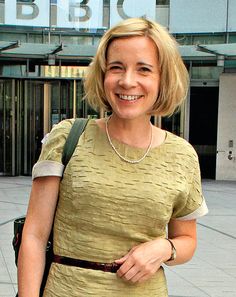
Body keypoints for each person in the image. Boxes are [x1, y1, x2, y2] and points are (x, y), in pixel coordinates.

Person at [18, 17, 208, 297]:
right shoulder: (69, 136)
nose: (127, 81)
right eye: (116, 67)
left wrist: (164, 248)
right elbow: (34, 236)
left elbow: (187, 241)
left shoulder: (182, 155)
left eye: (144, 69)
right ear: (103, 74)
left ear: (163, 78)